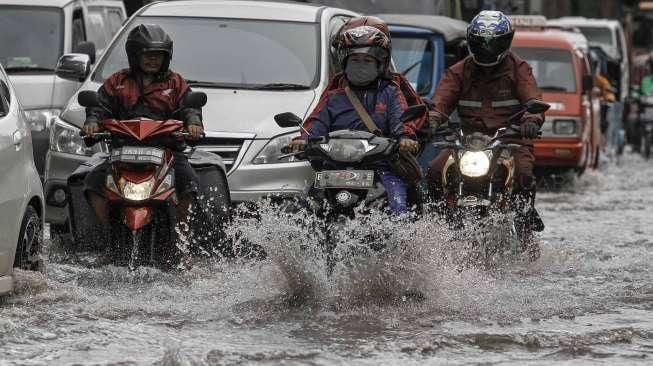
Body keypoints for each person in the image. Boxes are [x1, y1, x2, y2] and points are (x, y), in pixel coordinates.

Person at [426, 10, 544, 230]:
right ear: (471, 41)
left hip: (511, 139)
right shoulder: (458, 71)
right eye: (481, 43)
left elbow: (533, 99)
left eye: (493, 44)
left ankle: (524, 224)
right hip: (468, 140)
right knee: (434, 170)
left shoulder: (519, 69)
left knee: (524, 174)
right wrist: (432, 120)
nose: (487, 49)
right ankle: (435, 224)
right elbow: (441, 101)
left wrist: (531, 120)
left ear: (506, 42)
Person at [289, 18, 420, 215]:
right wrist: (302, 140)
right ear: (344, 61)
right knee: (305, 211)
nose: (361, 65)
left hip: (381, 167)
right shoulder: (334, 94)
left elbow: (402, 122)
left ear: (380, 64)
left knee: (398, 208)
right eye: (355, 60)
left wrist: (405, 139)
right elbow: (316, 121)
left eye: (367, 61)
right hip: (333, 169)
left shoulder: (391, 92)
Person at [83, 24, 204, 225]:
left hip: (167, 152)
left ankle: (183, 237)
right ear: (134, 55)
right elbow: (99, 106)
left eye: (158, 54)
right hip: (122, 153)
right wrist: (92, 122)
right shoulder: (117, 81)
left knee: (189, 183)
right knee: (92, 182)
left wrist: (193, 123)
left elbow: (189, 107)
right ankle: (107, 232)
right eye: (147, 54)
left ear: (166, 57)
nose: (153, 59)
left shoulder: (175, 82)